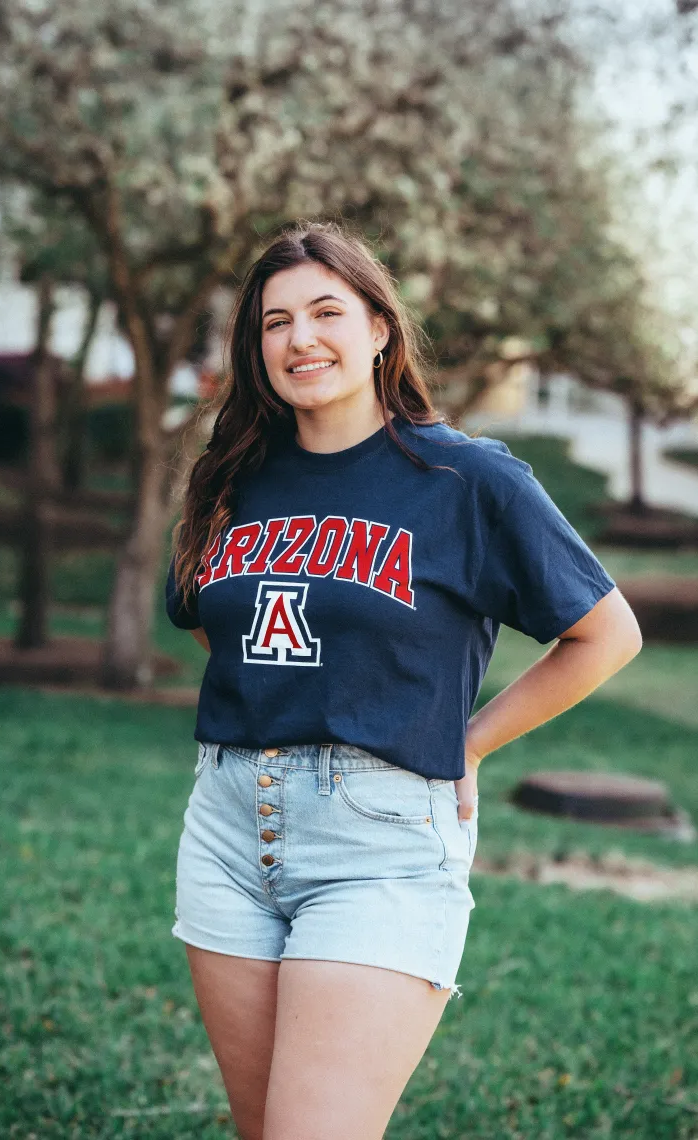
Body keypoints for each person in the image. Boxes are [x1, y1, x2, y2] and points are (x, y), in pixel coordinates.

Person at [164, 221, 642, 1140]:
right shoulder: (230, 479)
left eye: (326, 312)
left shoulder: (465, 479)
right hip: (225, 830)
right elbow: (208, 625)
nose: (300, 339)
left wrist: (464, 741)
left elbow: (605, 633)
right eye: (275, 323)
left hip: (377, 842)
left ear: (381, 327)